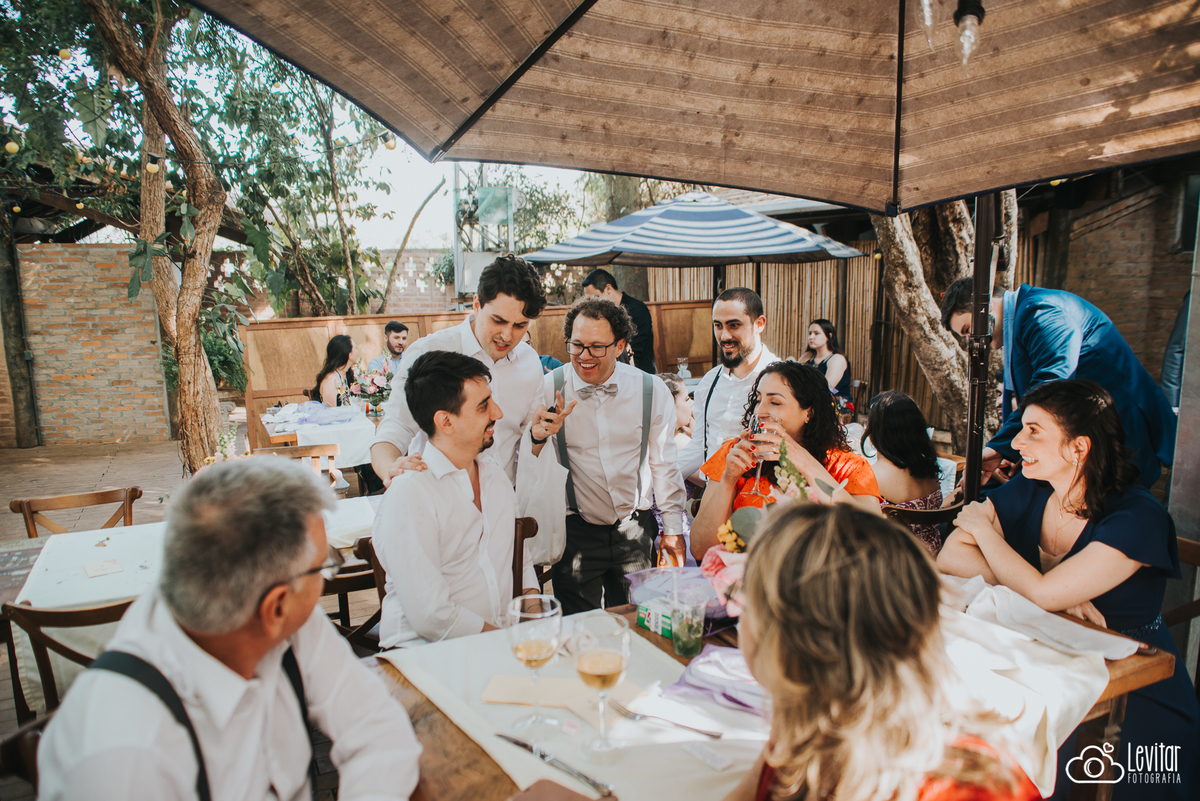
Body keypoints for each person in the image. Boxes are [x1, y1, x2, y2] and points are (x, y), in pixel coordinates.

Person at [37, 457, 422, 800]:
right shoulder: (125, 759)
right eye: (324, 566)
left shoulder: (291, 625)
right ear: (275, 608)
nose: (325, 577)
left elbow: (376, 728)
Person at [938, 379, 1198, 799]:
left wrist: (984, 534)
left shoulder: (1139, 517)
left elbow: (1040, 593)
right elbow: (951, 558)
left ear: (1079, 448)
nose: (1018, 441)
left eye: (1034, 431)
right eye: (1021, 427)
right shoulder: (1032, 487)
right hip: (1048, 662)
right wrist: (1049, 590)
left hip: (1130, 683)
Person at [723, 502, 1039, 801]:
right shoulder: (814, 717)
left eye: (747, 596)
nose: (739, 612)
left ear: (795, 638)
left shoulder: (967, 790)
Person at [526, 298, 685, 613]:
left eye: (597, 347)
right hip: (574, 533)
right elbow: (525, 463)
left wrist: (674, 530)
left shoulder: (651, 391)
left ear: (620, 345)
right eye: (577, 345)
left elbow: (664, 466)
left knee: (638, 623)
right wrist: (539, 436)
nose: (584, 357)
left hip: (636, 530)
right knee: (578, 628)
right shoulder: (546, 389)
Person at [941, 279, 1177, 488]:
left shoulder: (1043, 313)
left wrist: (1001, 447)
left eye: (969, 329)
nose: (973, 341)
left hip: (1123, 435)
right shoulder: (1028, 315)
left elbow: (1049, 391)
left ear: (985, 307)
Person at [374, 351, 538, 646]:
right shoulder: (411, 494)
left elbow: (521, 566)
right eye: (483, 406)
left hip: (496, 648)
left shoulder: (495, 477)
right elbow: (432, 616)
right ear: (445, 422)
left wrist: (537, 626)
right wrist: (507, 644)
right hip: (424, 659)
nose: (497, 413)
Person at [371, 254, 546, 486]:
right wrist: (390, 468)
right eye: (498, 320)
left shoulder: (530, 362)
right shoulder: (429, 351)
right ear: (476, 305)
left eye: (520, 326)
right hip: (438, 501)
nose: (507, 335)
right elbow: (396, 427)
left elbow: (528, 441)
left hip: (504, 499)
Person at [690, 362, 881, 561]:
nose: (760, 411)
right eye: (758, 399)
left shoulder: (848, 466)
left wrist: (805, 463)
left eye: (775, 402)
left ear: (809, 412)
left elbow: (876, 542)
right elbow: (699, 549)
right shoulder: (734, 453)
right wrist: (729, 480)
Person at [676, 288, 779, 483]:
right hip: (713, 495)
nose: (724, 336)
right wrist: (654, 484)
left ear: (759, 324)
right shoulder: (709, 381)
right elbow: (699, 446)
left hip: (760, 498)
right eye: (718, 326)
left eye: (734, 325)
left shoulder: (781, 380)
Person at [863, 390, 944, 554]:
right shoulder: (929, 469)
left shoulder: (873, 476)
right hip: (933, 555)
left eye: (868, 421)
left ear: (877, 430)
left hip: (898, 561)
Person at [581, 268, 656, 373]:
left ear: (608, 289)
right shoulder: (601, 314)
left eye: (596, 297)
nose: (593, 304)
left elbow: (634, 352)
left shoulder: (638, 310)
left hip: (639, 373)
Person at [800, 318, 850, 397]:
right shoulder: (807, 356)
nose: (811, 337)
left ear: (829, 336)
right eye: (810, 333)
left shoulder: (837, 359)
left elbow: (825, 389)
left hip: (835, 404)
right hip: (808, 400)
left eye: (816, 333)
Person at [313, 334, 358, 407]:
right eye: (356, 348)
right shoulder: (331, 379)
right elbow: (332, 410)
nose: (358, 352)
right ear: (347, 352)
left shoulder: (346, 374)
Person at [658, 372, 695, 446]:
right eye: (686, 399)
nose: (692, 403)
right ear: (670, 405)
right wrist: (695, 436)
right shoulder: (681, 442)